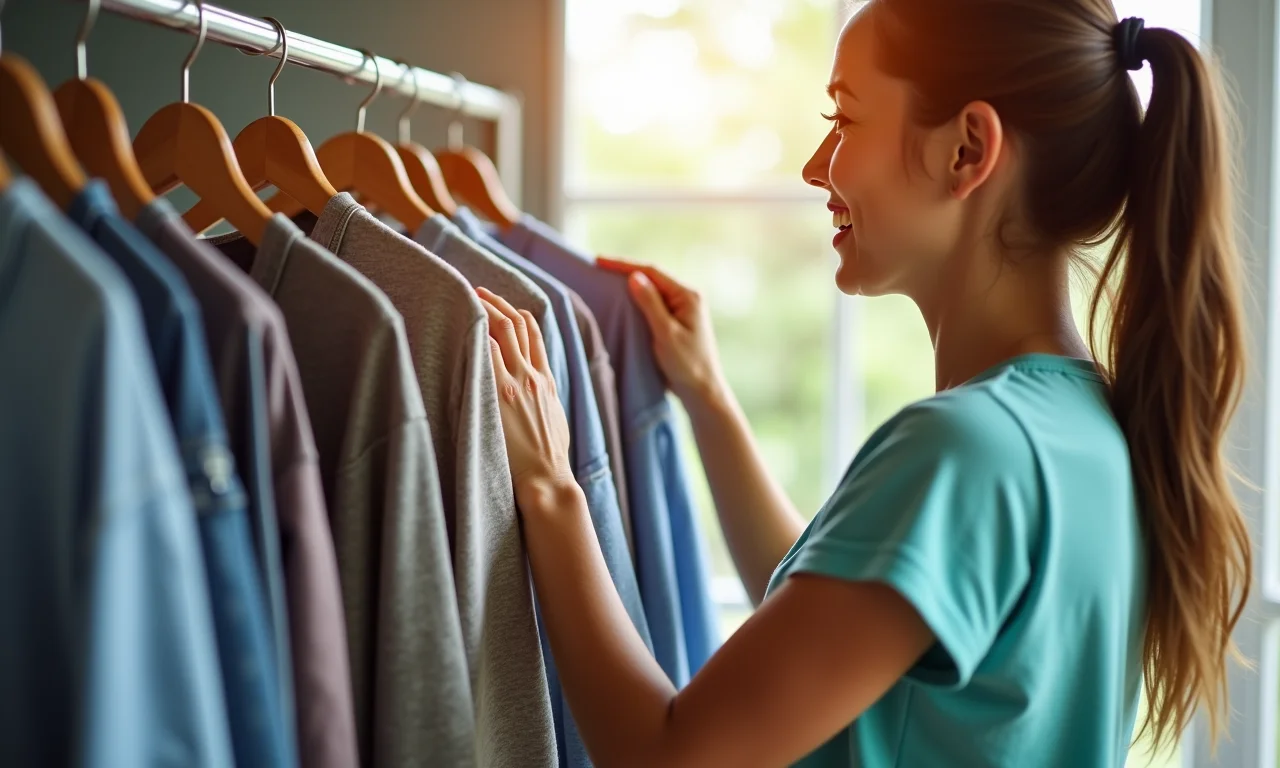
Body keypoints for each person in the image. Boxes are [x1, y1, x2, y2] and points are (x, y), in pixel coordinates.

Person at [473, 0, 1252, 764]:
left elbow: (666, 756)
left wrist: (550, 485)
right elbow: (833, 626)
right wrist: (708, 399)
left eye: (843, 119)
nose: (816, 166)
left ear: (967, 150)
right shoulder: (1087, 429)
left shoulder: (962, 451)